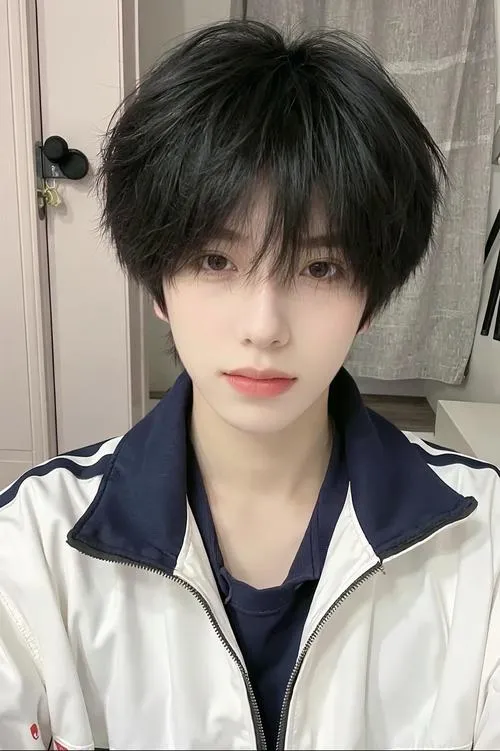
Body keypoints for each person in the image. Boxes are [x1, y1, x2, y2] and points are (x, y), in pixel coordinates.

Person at [0, 18, 499, 751]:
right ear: (158, 283)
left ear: (370, 298)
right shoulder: (32, 545)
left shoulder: (482, 540)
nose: (264, 327)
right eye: (216, 261)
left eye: (319, 267)